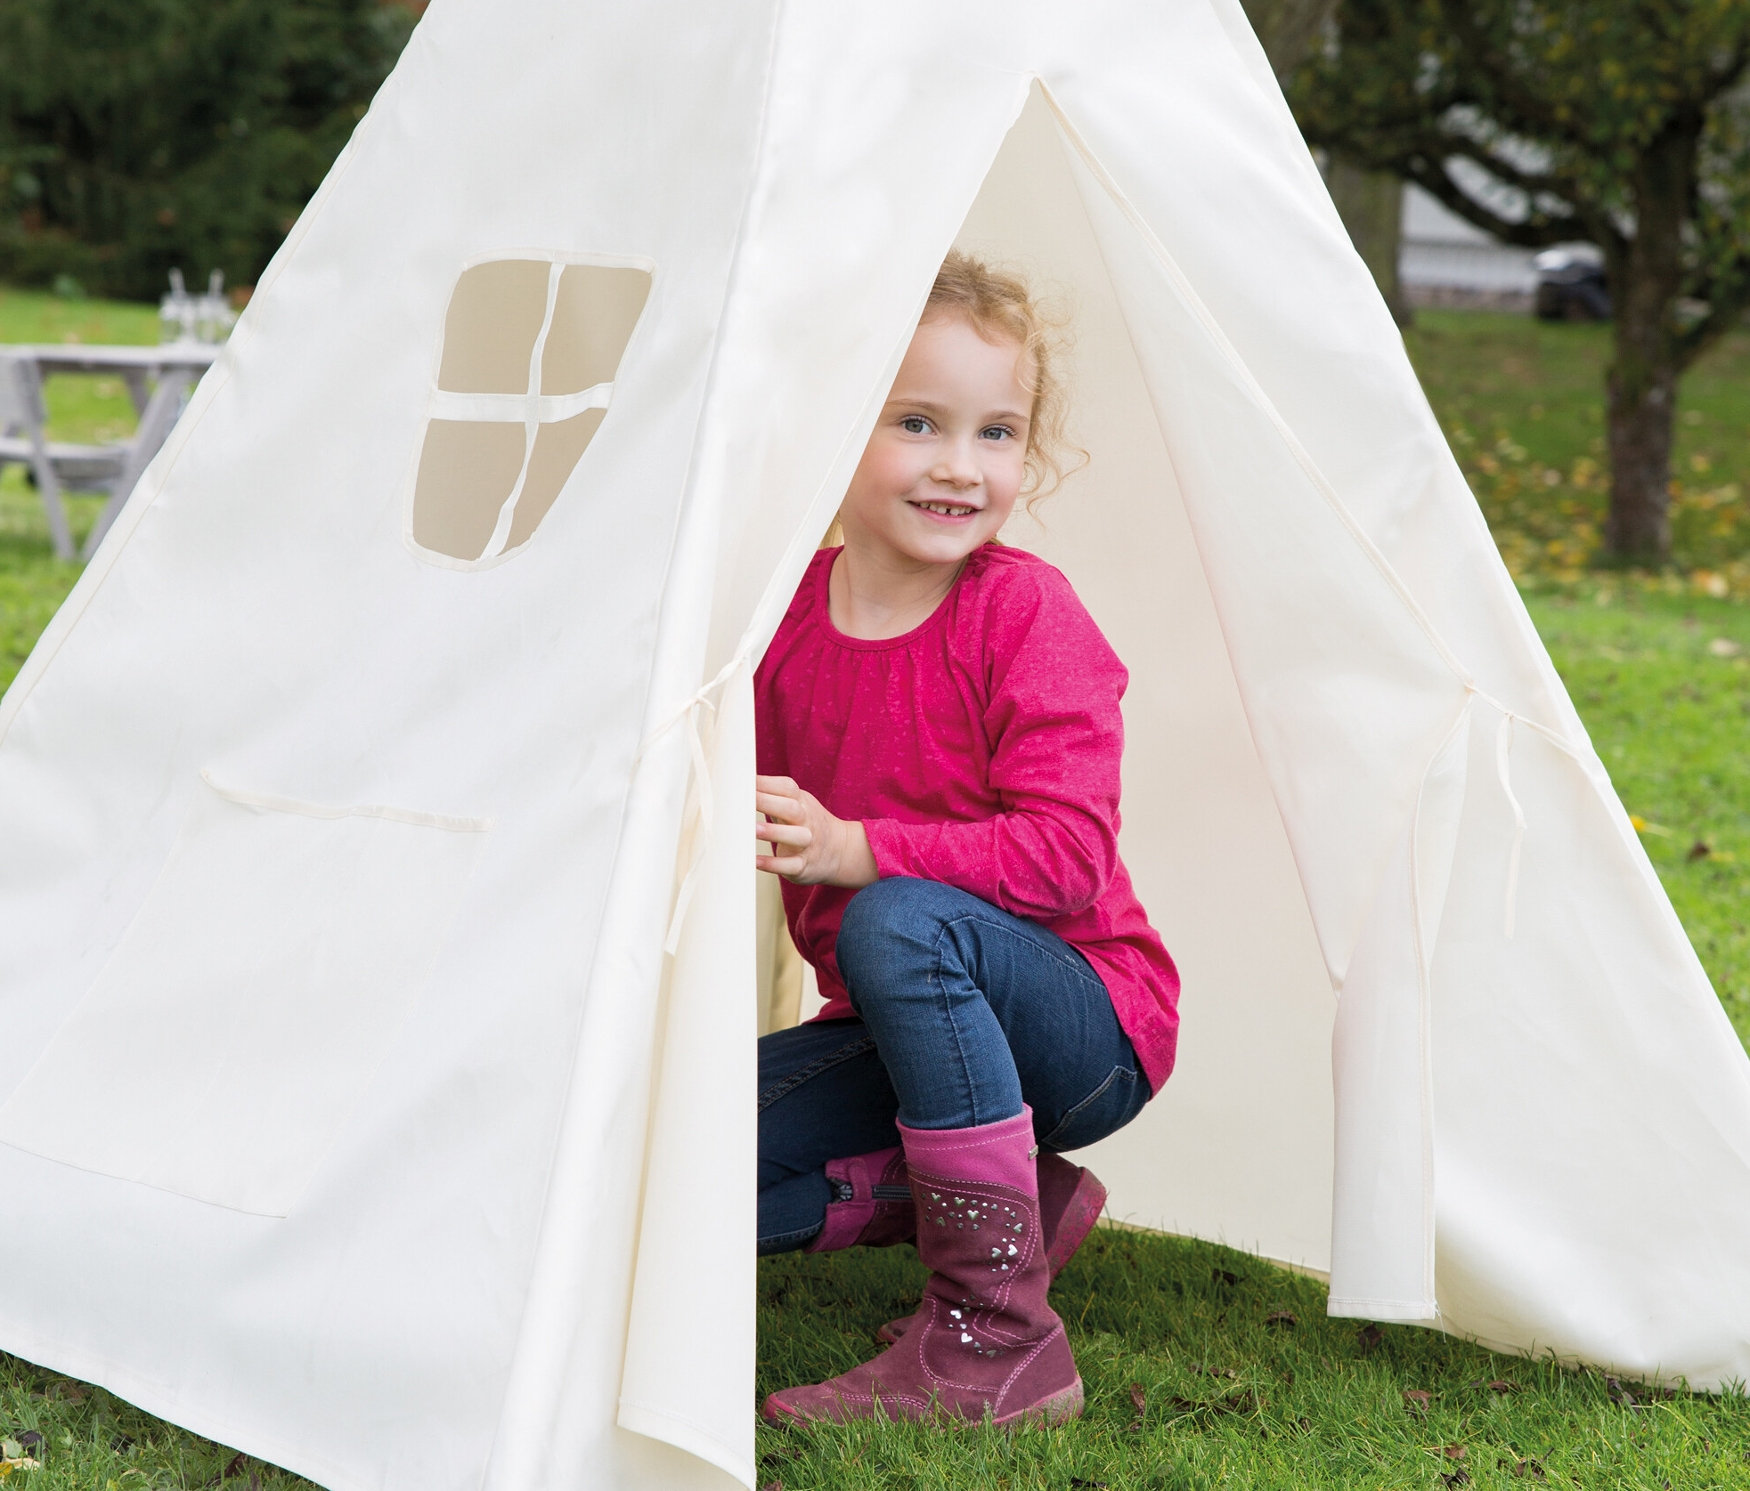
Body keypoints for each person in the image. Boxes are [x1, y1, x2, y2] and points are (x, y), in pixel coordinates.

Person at [753, 251, 1180, 1427]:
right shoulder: (776, 622)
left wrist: (856, 850)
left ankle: (996, 1337)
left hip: (1083, 1023)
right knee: (687, 1176)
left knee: (895, 913)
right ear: (829, 429)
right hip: (897, 1033)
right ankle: (1013, 1207)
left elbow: (1065, 860)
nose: (960, 465)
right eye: (917, 423)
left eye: (998, 433)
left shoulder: (1022, 613)